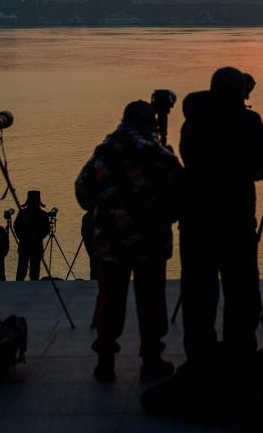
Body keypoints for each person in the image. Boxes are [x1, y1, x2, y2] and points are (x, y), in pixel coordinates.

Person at [76, 100, 183, 382]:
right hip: (150, 241)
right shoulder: (159, 154)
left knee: (110, 298)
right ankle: (151, 359)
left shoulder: (105, 150)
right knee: (151, 300)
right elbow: (180, 196)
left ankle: (105, 361)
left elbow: (83, 192)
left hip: (109, 243)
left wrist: (107, 208)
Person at [178, 67, 263, 364]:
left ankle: (199, 354)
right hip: (236, 217)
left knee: (198, 291)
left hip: (197, 217)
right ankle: (240, 351)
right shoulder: (249, 121)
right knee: (242, 291)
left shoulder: (192, 121)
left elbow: (188, 158)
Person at [14, 190, 51, 281]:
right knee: (34, 268)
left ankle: (19, 285)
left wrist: (23, 236)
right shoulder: (42, 214)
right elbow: (46, 229)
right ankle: (33, 285)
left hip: (25, 243)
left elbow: (16, 226)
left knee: (22, 268)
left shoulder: (22, 213)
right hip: (36, 243)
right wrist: (38, 236)